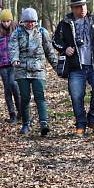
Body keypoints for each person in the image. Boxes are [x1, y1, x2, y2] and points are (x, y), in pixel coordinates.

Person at [52, 0, 94, 135]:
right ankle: (81, 124)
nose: (82, 9)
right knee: (76, 95)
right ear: (72, 8)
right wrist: (65, 48)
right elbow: (55, 41)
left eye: (83, 5)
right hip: (75, 67)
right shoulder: (65, 23)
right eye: (78, 6)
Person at [9, 8, 58, 136]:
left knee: (39, 96)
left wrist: (57, 66)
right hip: (22, 69)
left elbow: (49, 50)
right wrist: (14, 59)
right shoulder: (17, 33)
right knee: (24, 97)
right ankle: (26, 124)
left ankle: (43, 123)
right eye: (27, 21)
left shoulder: (42, 32)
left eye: (33, 21)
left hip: (38, 69)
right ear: (23, 21)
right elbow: (13, 48)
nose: (30, 24)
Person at [0, 9, 21, 124]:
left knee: (14, 85)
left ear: (11, 20)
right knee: (7, 88)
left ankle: (20, 111)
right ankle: (12, 114)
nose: (6, 23)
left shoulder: (17, 29)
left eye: (8, 21)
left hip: (14, 63)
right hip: (2, 63)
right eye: (4, 21)